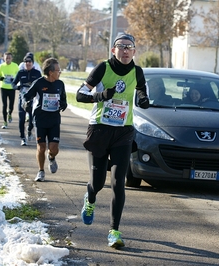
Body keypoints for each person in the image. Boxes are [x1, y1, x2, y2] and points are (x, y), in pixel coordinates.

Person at [76, 33, 149, 248]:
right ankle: (90, 199)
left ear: (134, 51)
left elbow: (142, 91)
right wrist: (101, 95)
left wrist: (143, 99)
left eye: (129, 47)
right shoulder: (102, 68)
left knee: (119, 183)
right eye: (121, 46)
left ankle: (114, 232)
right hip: (99, 130)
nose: (125, 50)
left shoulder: (137, 72)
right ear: (113, 50)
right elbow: (80, 95)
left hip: (123, 133)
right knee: (97, 183)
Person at [23, 58, 67, 182]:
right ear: (50, 72)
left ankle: (51, 157)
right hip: (40, 119)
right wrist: (25, 103)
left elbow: (64, 99)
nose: (60, 73)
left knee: (54, 148)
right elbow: (26, 96)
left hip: (54, 120)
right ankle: (41, 171)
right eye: (58, 70)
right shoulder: (39, 83)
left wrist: (63, 104)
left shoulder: (60, 84)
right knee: (41, 147)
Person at [12, 53, 42, 146]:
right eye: (26, 62)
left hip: (33, 99)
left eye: (29, 62)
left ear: (33, 63)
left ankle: (29, 130)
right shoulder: (21, 73)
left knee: (32, 119)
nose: (28, 63)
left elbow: (42, 85)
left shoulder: (37, 73)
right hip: (23, 98)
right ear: (24, 63)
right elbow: (13, 83)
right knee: (21, 119)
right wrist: (17, 87)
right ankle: (23, 138)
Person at [0, 52, 19, 129]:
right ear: (3, 58)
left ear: (11, 59)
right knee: (4, 105)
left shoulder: (15, 66)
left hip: (12, 88)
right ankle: (5, 122)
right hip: (4, 87)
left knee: (11, 105)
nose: (7, 59)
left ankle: (10, 113)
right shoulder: (1, 66)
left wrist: (14, 79)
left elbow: (18, 74)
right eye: (6, 58)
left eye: (9, 58)